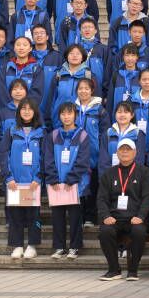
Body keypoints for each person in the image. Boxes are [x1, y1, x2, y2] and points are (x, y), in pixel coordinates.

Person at [97, 138, 149, 281]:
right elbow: (101, 199)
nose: (125, 152)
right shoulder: (109, 173)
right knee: (105, 231)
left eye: (128, 149)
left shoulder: (144, 172)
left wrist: (141, 216)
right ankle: (114, 269)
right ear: (117, 153)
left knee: (139, 231)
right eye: (122, 149)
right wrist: (106, 216)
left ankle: (133, 270)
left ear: (135, 152)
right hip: (114, 217)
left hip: (135, 217)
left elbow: (147, 197)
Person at [42, 102, 93, 259]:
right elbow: (48, 158)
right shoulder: (53, 135)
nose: (66, 117)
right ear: (59, 116)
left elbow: (83, 160)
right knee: (57, 217)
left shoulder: (82, 135)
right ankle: (59, 247)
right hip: (56, 185)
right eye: (63, 114)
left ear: (75, 115)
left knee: (75, 218)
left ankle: (74, 247)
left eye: (69, 113)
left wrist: (71, 179)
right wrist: (53, 178)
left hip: (75, 185)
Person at [0, 99, 44, 260]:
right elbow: (3, 154)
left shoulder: (42, 133)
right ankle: (17, 245)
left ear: (35, 112)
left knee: (33, 215)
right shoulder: (11, 131)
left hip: (33, 183)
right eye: (23, 109)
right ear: (19, 112)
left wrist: (38, 177)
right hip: (15, 183)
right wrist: (8, 177)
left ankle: (32, 245)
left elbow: (46, 157)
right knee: (15, 215)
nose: (26, 111)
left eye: (30, 109)